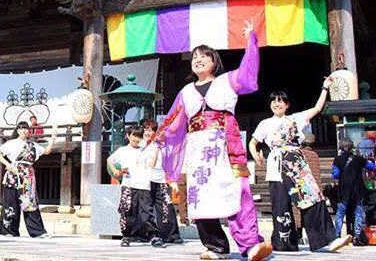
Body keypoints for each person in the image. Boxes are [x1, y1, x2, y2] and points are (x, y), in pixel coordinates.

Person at [153, 21, 272, 261]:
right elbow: (174, 121)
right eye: (195, 57)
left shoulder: (227, 80)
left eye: (203, 56)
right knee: (200, 196)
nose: (198, 59)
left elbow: (248, 70)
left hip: (225, 145)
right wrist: (158, 140)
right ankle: (216, 246)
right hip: (198, 149)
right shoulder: (186, 92)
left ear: (214, 61)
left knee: (237, 191)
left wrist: (251, 40)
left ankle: (250, 244)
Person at [249, 84, 350, 252]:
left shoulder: (296, 119)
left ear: (287, 105)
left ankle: (327, 240)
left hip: (297, 165)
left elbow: (317, 108)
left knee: (313, 198)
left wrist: (324, 89)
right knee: (281, 205)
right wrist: (256, 155)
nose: (276, 104)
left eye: (280, 101)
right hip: (277, 166)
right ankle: (284, 244)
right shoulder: (265, 123)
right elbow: (253, 143)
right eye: (273, 101)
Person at [0, 120, 56, 238]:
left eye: (26, 129)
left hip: (28, 176)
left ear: (29, 131)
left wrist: (53, 139)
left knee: (30, 203)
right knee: (11, 202)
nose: (24, 131)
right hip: (14, 174)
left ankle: (38, 232)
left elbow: (46, 151)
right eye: (22, 128)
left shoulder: (32, 145)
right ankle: (8, 231)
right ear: (18, 130)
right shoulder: (11, 143)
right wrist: (8, 164)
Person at [107, 126, 165, 248]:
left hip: (144, 184)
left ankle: (153, 236)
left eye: (139, 136)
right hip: (128, 185)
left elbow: (152, 165)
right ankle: (127, 236)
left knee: (146, 212)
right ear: (128, 136)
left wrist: (156, 151)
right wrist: (116, 172)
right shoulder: (122, 150)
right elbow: (109, 160)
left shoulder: (145, 150)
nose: (136, 139)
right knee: (128, 211)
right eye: (134, 135)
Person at [142, 119, 183, 244]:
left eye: (151, 130)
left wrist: (172, 180)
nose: (148, 132)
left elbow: (169, 164)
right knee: (146, 209)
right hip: (145, 180)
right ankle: (150, 235)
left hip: (161, 180)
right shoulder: (141, 145)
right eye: (145, 129)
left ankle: (171, 235)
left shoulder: (162, 146)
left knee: (166, 207)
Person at [332, 138, 376, 246]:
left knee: (340, 212)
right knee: (359, 211)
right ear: (352, 147)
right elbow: (372, 166)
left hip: (344, 189)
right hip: (358, 189)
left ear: (341, 148)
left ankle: (337, 235)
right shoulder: (359, 159)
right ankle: (357, 236)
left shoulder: (337, 159)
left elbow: (335, 175)